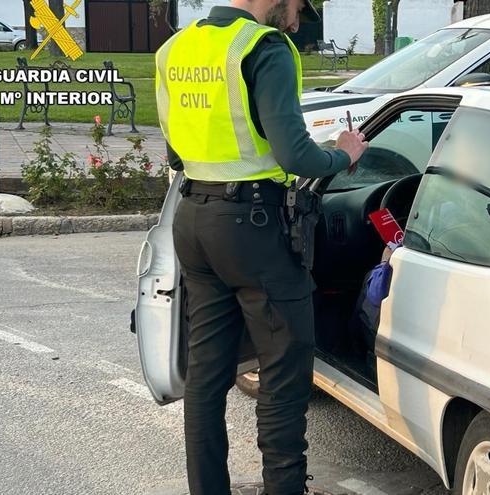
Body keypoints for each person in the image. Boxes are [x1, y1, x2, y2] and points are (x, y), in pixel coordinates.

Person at [154, 1, 368, 494]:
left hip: (193, 219)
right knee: (284, 371)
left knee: (206, 376)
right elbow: (296, 155)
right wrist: (343, 151)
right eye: (295, 7)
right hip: (253, 228)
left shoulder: (174, 49)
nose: (295, 20)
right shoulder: (263, 47)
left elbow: (174, 151)